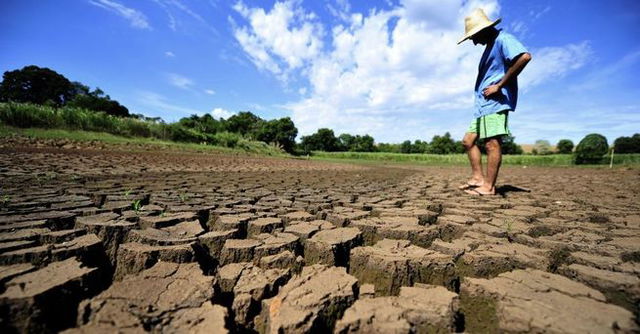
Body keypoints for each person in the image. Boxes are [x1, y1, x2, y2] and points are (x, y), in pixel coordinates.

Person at [457, 8, 532, 196]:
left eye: (474, 36)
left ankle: (488, 187)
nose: (473, 42)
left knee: (492, 143)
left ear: (483, 30)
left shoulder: (502, 39)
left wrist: (499, 85)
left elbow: (524, 57)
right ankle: (478, 178)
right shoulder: (490, 45)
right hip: (482, 105)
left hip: (495, 102)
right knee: (468, 141)